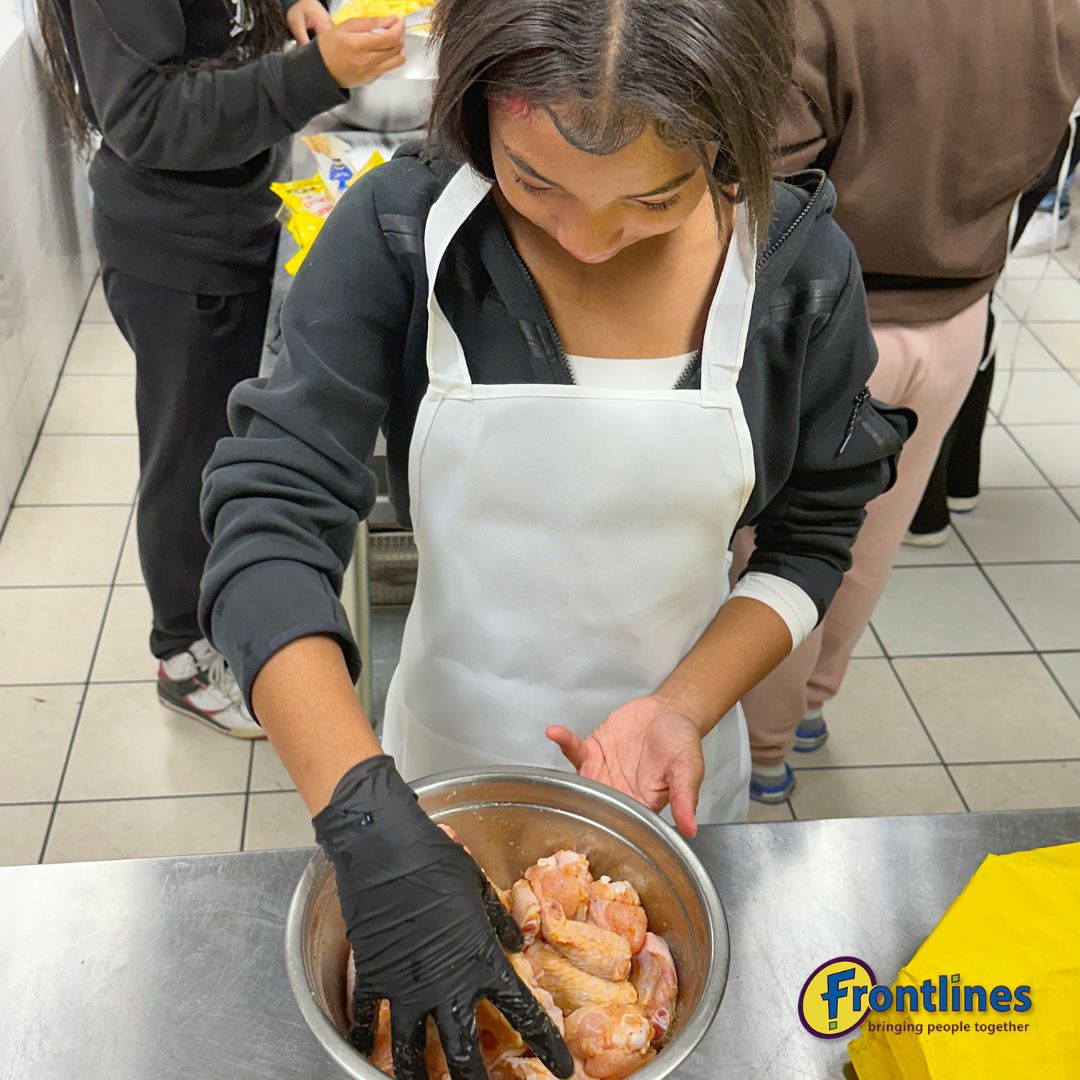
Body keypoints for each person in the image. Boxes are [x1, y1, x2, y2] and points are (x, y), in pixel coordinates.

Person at [200, 0, 908, 1072]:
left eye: (654, 198)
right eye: (535, 184)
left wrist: (682, 705)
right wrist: (361, 813)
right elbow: (267, 512)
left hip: (668, 788)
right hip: (433, 774)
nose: (585, 238)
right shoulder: (404, 236)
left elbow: (812, 536)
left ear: (731, 131)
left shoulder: (796, 274)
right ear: (477, 105)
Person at [735, 0, 1080, 802]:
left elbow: (766, 172)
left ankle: (763, 747)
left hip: (829, 321)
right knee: (869, 540)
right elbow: (1046, 153)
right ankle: (813, 707)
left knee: (782, 546)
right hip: (959, 314)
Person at [38, 0, 407, 736]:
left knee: (223, 437)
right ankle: (182, 651)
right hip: (177, 245)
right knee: (188, 453)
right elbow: (144, 115)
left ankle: (234, 610)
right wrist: (314, 75)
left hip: (236, 208)